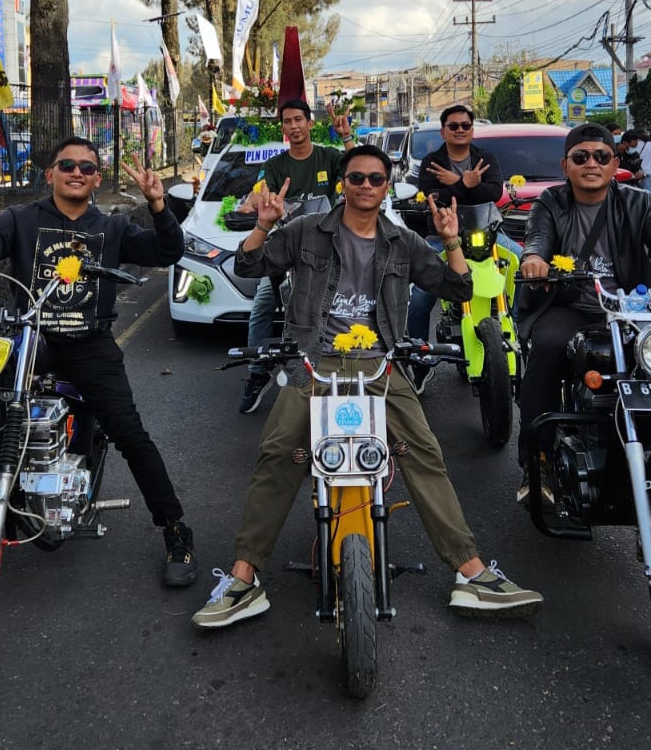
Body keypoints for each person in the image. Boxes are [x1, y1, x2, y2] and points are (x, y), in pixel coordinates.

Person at [190, 144, 544, 629]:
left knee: (422, 450)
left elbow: (459, 290)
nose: (365, 186)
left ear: (385, 186)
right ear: (343, 183)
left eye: (376, 179)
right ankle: (243, 578)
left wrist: (452, 241)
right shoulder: (304, 232)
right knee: (278, 454)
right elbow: (249, 267)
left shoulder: (402, 242)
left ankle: (472, 573)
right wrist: (264, 223)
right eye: (356, 178)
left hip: (381, 362)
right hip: (313, 361)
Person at [0, 137, 199, 587]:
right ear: (49, 173)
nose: (77, 172)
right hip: (31, 337)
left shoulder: (111, 228)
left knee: (130, 434)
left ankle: (175, 530)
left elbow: (167, 252)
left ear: (96, 179)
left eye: (88, 168)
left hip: (90, 342)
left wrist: (157, 203)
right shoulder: (20, 219)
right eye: (67, 164)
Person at [517, 123, 651, 502]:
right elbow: (538, 237)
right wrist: (534, 259)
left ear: (614, 163)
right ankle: (538, 463)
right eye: (580, 157)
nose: (591, 164)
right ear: (565, 165)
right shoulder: (550, 202)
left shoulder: (636, 201)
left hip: (633, 313)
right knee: (548, 349)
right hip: (570, 306)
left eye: (601, 156)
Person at [236, 99, 356, 413]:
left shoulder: (328, 157)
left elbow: (357, 170)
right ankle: (257, 373)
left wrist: (346, 137)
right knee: (263, 302)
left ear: (310, 123)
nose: (294, 126)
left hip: (328, 250)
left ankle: (361, 368)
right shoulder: (276, 165)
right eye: (287, 121)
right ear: (283, 127)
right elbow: (259, 192)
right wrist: (254, 202)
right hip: (287, 251)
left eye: (299, 119)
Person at [406, 103, 507, 393]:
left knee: (522, 262)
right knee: (421, 298)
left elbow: (495, 192)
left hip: (485, 234)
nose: (460, 130)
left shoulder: (486, 158)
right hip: (442, 236)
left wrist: (459, 184)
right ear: (443, 131)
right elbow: (433, 199)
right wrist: (466, 182)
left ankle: (518, 334)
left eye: (465, 125)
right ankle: (419, 361)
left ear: (472, 129)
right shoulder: (431, 162)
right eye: (454, 126)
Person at [637, 130, 651, 194]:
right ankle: (649, 203)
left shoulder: (633, 144)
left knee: (637, 190)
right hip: (648, 171)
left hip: (637, 172)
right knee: (647, 189)